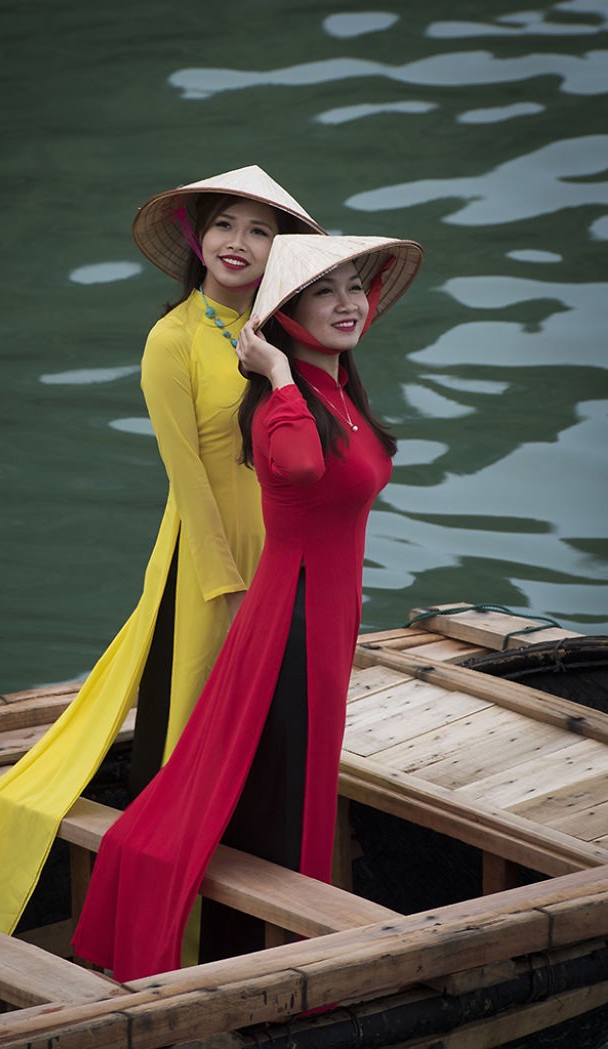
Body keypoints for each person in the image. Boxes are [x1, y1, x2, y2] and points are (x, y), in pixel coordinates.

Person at [0, 167, 326, 936]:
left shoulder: (282, 335)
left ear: (280, 251)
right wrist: (225, 580)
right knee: (189, 722)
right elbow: (186, 475)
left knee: (270, 725)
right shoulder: (174, 338)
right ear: (198, 237)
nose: (239, 243)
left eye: (261, 231)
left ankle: (258, 902)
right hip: (208, 554)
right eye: (225, 224)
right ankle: (166, 917)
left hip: (283, 545)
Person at [70, 232, 424, 981]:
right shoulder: (281, 405)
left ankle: (280, 955)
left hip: (325, 616)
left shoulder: (335, 391)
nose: (349, 303)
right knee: (284, 789)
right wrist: (276, 371)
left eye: (357, 287)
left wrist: (302, 375)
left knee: (299, 779)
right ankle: (269, 968)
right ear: (288, 314)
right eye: (326, 292)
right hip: (292, 616)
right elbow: (295, 466)